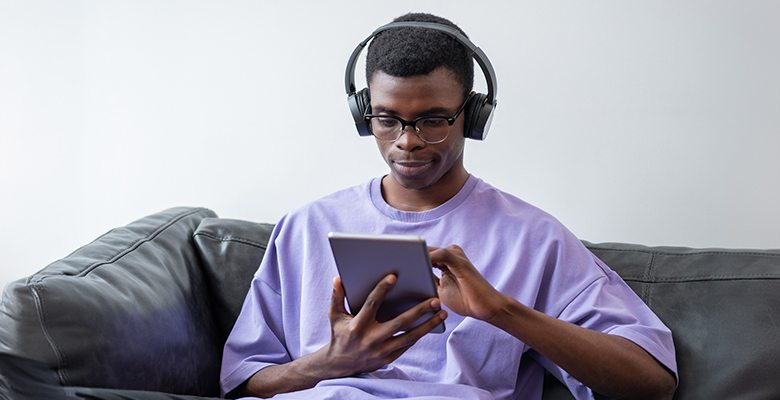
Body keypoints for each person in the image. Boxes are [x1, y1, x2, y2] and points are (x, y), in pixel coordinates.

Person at [220, 12, 677, 400]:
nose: (407, 141)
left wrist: (500, 311)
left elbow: (652, 381)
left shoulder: (533, 238)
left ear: (473, 117)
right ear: (365, 114)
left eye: (433, 120)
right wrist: (328, 364)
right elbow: (241, 383)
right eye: (386, 119)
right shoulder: (304, 227)